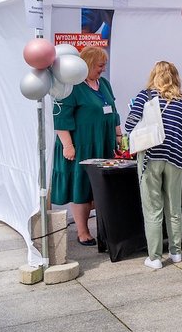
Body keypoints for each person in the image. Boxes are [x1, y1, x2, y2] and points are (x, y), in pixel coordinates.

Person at [124, 61, 182, 269]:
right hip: (176, 157)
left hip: (151, 156)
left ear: (154, 76)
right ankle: (176, 252)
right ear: (175, 77)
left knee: (153, 208)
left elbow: (129, 124)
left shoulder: (145, 96)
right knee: (174, 207)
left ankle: (155, 257)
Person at [52, 46, 121, 246]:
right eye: (100, 65)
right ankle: (83, 232)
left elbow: (113, 110)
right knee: (81, 187)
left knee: (102, 188)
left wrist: (119, 135)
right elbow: (61, 119)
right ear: (89, 64)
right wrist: (67, 145)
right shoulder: (72, 86)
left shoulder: (104, 84)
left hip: (104, 143)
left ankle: (105, 230)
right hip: (81, 146)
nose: (103, 69)